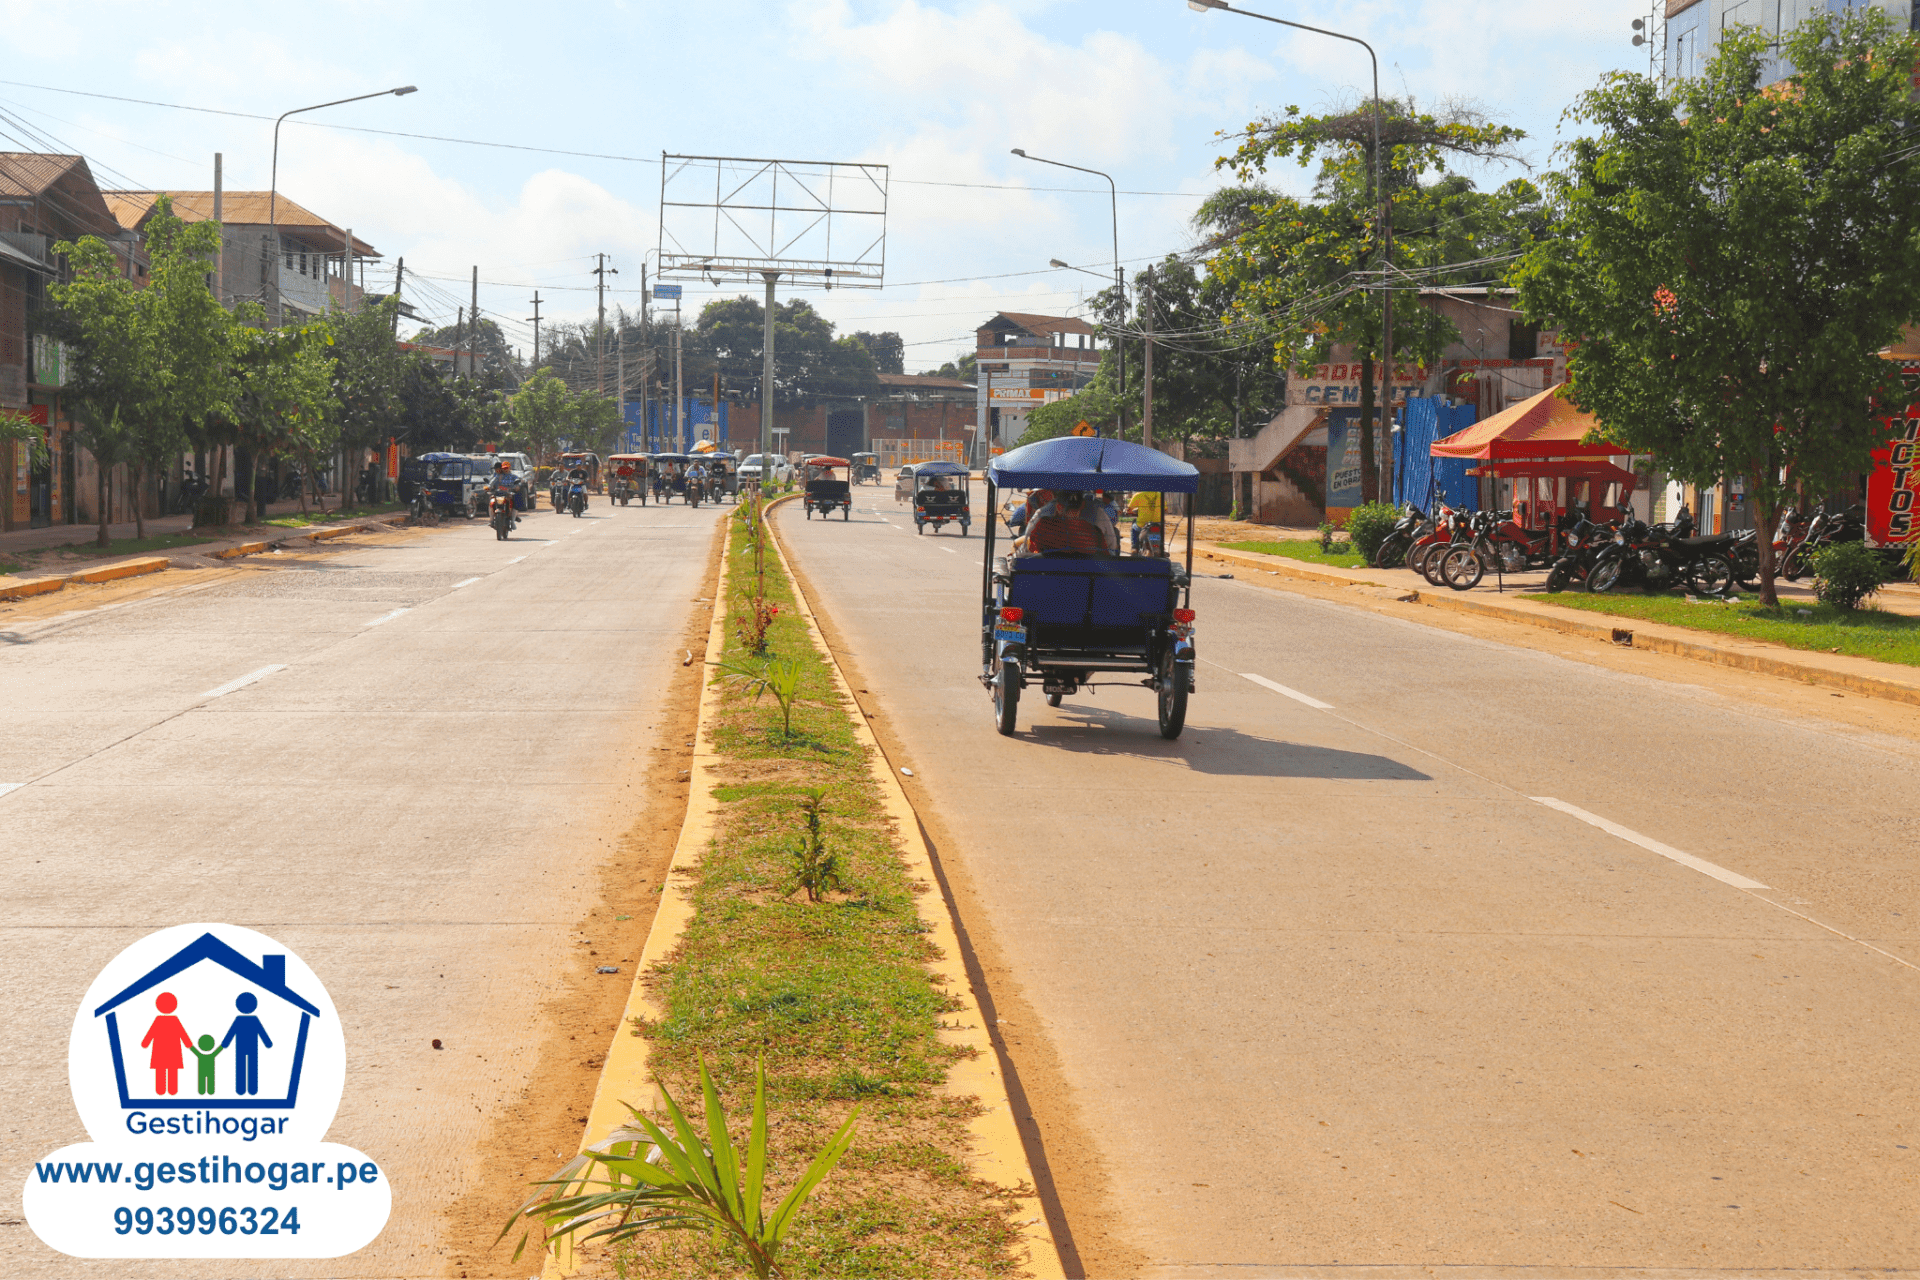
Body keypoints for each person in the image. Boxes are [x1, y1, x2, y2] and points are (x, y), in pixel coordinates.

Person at [1017, 489, 1109, 557]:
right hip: (1087, 576)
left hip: (1047, 574)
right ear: (1082, 506)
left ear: (1058, 506)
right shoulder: (1094, 532)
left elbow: (1032, 549)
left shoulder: (1044, 525)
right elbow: (1107, 553)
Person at [140, 992, 195, 1096]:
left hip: (160, 1052)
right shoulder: (174, 1020)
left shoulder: (159, 1020)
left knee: (160, 1071)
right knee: (172, 1070)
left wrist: (145, 1043)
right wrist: (189, 1044)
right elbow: (183, 1034)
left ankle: (160, 1090)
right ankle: (172, 1090)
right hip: (173, 1052)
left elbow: (150, 1034)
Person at [220, 992, 273, 1097]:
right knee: (252, 1066)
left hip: (241, 1047)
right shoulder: (254, 1020)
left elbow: (231, 1033)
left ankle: (240, 1089)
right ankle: (252, 1089)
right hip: (252, 1047)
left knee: (241, 1067)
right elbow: (262, 1032)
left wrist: (225, 1044)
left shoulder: (239, 1020)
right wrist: (268, 1043)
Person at [1126, 489, 1162, 553]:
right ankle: (1160, 548)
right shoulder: (1160, 495)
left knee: (1134, 526)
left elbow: (1129, 510)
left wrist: (1134, 512)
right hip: (1157, 523)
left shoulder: (1138, 495)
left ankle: (1135, 547)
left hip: (1142, 524)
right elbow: (1165, 509)